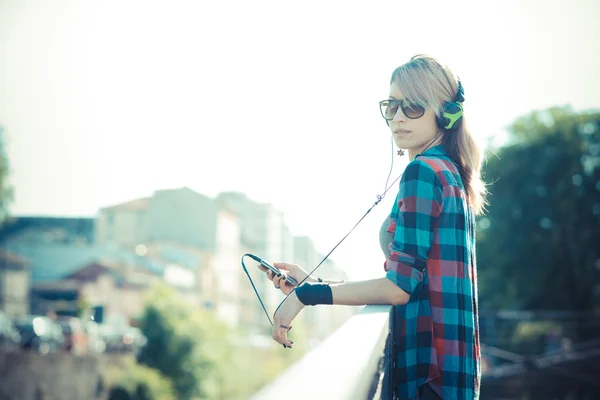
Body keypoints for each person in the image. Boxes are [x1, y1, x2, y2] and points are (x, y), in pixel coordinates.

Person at [260, 54, 487, 400]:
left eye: (412, 107)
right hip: (450, 375)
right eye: (391, 106)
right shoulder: (450, 171)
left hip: (429, 375)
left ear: (445, 112)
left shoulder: (423, 172)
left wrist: (308, 295)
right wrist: (316, 283)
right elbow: (411, 278)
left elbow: (399, 288)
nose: (397, 118)